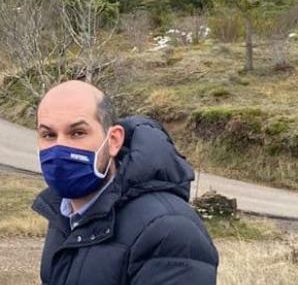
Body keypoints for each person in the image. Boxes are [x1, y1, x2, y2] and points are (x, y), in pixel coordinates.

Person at [32, 80, 218, 284]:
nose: (60, 148)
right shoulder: (65, 215)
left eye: (77, 133)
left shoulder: (169, 230)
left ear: (113, 141)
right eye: (48, 135)